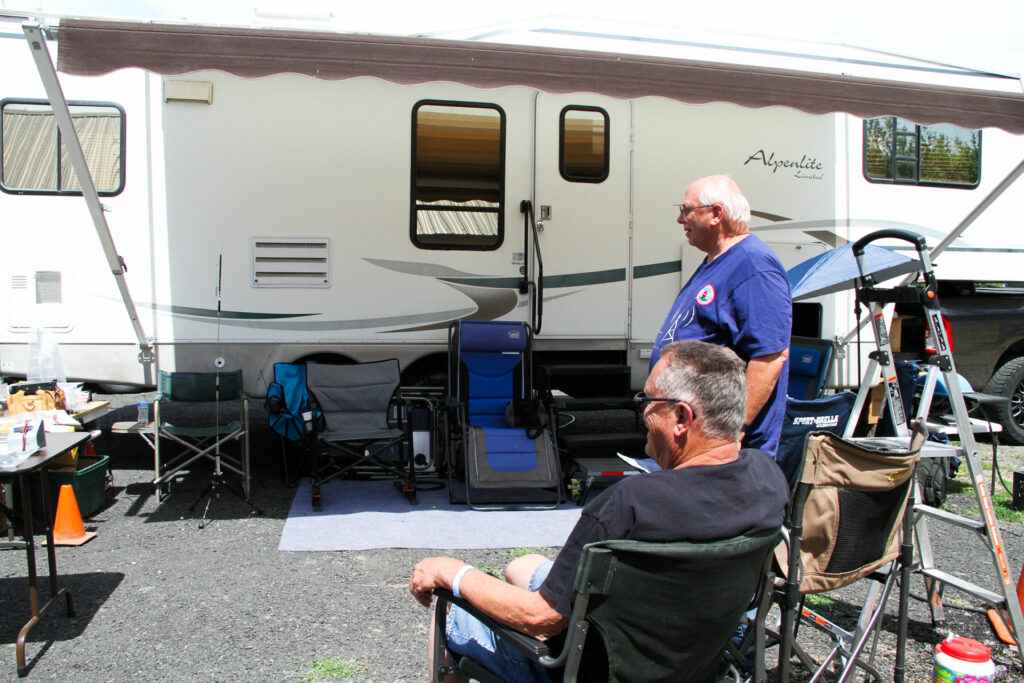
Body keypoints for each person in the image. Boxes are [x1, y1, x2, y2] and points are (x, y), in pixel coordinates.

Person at [409, 341, 790, 682]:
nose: (640, 412)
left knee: (453, 612)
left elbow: (540, 620)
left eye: (647, 402)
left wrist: (451, 571)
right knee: (521, 566)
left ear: (681, 419)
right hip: (697, 654)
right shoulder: (767, 478)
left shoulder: (631, 502)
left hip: (593, 667)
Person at [651, 174, 792, 457]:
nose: (681, 220)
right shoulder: (717, 260)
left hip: (722, 451)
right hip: (697, 441)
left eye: (687, 210)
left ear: (716, 214)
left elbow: (770, 358)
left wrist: (730, 433)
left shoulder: (754, 266)